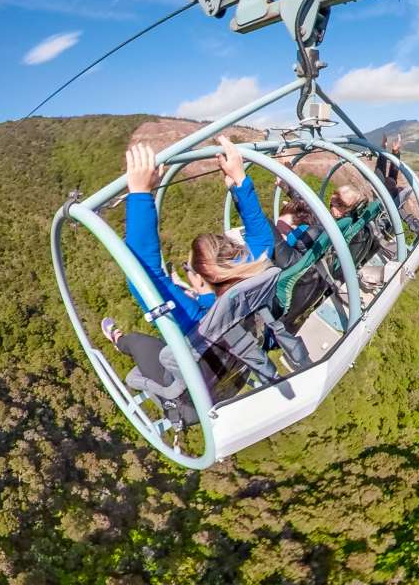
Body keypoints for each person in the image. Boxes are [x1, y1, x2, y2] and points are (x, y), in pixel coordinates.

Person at [101, 134, 307, 414]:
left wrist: (139, 193)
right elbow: (262, 237)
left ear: (202, 276)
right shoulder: (256, 280)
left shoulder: (197, 322)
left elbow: (143, 273)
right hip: (237, 368)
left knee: (137, 342)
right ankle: (121, 337)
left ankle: (117, 339)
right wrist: (238, 178)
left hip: (197, 387)